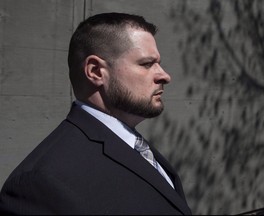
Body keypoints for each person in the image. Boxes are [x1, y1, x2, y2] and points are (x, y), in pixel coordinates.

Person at [0, 12, 192, 215]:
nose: (164, 75)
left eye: (158, 63)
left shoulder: (136, 147)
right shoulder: (41, 182)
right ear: (96, 71)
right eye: (146, 64)